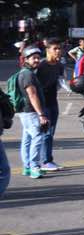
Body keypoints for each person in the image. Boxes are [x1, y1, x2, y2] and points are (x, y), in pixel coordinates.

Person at [14, 46, 49, 179]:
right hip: (31, 112)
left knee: (27, 139)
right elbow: (32, 94)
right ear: (26, 59)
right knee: (37, 137)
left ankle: (27, 167)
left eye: (38, 57)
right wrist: (41, 114)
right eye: (33, 58)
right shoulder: (27, 74)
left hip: (26, 111)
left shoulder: (26, 72)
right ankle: (34, 167)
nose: (36, 60)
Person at [35, 39, 65, 171]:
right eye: (55, 48)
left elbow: (60, 82)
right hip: (42, 103)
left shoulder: (59, 65)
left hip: (53, 102)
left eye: (59, 48)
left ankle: (48, 160)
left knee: (51, 133)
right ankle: (43, 161)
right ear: (48, 50)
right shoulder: (41, 66)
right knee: (45, 133)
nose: (58, 51)